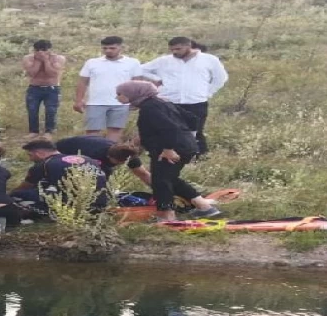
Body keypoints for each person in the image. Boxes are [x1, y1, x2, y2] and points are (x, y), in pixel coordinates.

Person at [116, 81, 220, 221]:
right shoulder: (162, 103)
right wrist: (189, 139)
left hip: (170, 149)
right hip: (183, 147)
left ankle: (167, 215)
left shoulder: (150, 108)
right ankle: (204, 207)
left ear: (133, 93)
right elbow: (192, 119)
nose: (117, 97)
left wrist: (169, 149)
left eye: (119, 94)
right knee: (169, 179)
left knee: (160, 182)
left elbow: (169, 128)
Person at [138, 37, 228, 156]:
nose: (175, 52)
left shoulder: (209, 60)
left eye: (178, 49)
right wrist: (157, 79)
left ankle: (196, 156)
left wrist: (208, 92)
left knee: (195, 129)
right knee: (168, 129)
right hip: (170, 101)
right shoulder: (164, 61)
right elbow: (141, 69)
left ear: (188, 46)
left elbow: (221, 78)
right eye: (172, 49)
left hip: (196, 102)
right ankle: (169, 153)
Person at [10, 140, 107, 215]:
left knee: (18, 194)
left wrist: (8, 194)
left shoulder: (44, 164)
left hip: (76, 206)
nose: (30, 159)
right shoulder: (86, 158)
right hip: (100, 204)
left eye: (30, 155)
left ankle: (37, 211)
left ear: (39, 153)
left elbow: (26, 186)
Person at [75, 36, 142, 142]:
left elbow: (136, 83)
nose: (108, 51)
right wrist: (79, 100)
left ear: (121, 47)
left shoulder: (133, 62)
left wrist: (135, 100)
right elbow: (82, 82)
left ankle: (110, 155)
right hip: (95, 102)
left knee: (115, 130)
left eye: (112, 48)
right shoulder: (92, 62)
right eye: (105, 48)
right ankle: (92, 155)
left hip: (121, 103)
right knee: (92, 131)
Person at [56, 135, 151, 184]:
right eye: (117, 163)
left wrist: (159, 192)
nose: (118, 165)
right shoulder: (94, 154)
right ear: (109, 156)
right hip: (63, 150)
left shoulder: (129, 154)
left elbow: (143, 174)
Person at [22, 40, 66, 140]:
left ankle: (49, 131)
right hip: (34, 88)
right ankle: (33, 131)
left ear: (50, 50)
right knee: (32, 110)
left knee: (51, 110)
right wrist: (38, 61)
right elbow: (31, 73)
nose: (40, 52)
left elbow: (53, 73)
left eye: (44, 50)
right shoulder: (28, 58)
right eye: (37, 50)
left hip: (52, 88)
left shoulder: (58, 58)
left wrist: (46, 60)